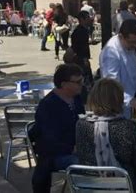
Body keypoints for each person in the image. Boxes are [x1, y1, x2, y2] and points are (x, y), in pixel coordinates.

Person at [75, 78, 136, 193]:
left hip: (88, 185)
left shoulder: (81, 125)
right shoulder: (128, 126)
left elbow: (81, 155)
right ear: (118, 100)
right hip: (122, 185)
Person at [31, 64, 85, 193]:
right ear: (64, 84)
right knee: (86, 163)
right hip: (55, 155)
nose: (82, 84)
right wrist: (72, 148)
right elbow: (49, 140)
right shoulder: (48, 105)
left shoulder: (76, 99)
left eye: (82, 80)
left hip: (76, 148)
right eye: (78, 82)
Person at [100, 19, 136, 118]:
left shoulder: (128, 46)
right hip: (117, 104)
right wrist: (129, 100)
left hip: (131, 98)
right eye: (132, 42)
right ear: (121, 36)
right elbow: (111, 84)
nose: (135, 45)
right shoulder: (111, 53)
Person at [70, 10, 93, 101]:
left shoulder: (81, 30)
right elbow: (80, 46)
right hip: (81, 59)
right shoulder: (81, 31)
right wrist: (84, 59)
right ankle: (84, 98)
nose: (89, 20)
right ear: (82, 19)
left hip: (80, 58)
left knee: (85, 79)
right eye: (87, 18)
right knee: (84, 80)